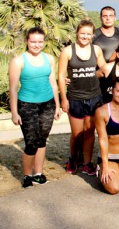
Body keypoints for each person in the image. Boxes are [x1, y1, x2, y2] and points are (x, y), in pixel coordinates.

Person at [9, 28, 62, 188]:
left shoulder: (50, 59)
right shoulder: (18, 61)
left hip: (48, 104)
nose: (36, 45)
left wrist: (57, 106)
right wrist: (14, 112)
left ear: (44, 42)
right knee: (31, 142)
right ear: (27, 41)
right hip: (27, 105)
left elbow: (53, 83)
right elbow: (12, 88)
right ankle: (27, 175)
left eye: (40, 41)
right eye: (33, 41)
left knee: (42, 140)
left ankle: (38, 174)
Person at [58, 19, 107, 176]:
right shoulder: (67, 51)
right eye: (82, 33)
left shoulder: (96, 50)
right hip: (75, 97)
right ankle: (73, 159)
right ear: (77, 33)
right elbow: (60, 76)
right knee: (77, 134)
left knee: (89, 132)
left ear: (92, 35)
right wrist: (64, 99)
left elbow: (104, 68)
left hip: (94, 96)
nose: (85, 36)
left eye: (88, 33)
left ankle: (86, 163)